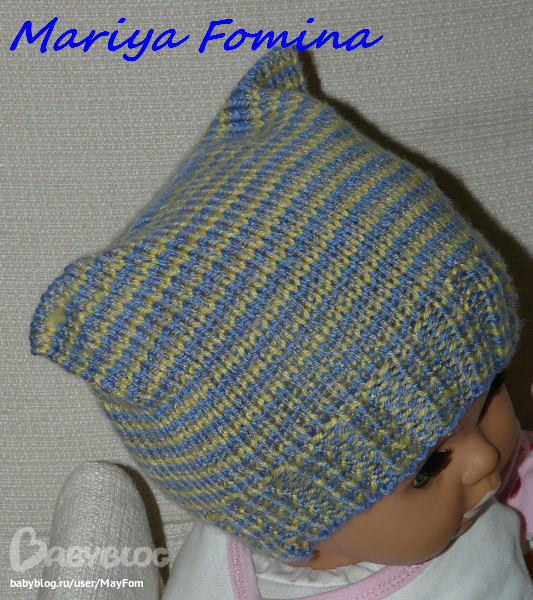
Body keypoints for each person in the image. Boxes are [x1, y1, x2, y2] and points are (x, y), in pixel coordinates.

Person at [30, 46, 533, 598]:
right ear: (305, 533)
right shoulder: (216, 575)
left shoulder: (493, 501)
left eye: (492, 389)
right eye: (429, 467)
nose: (486, 456)